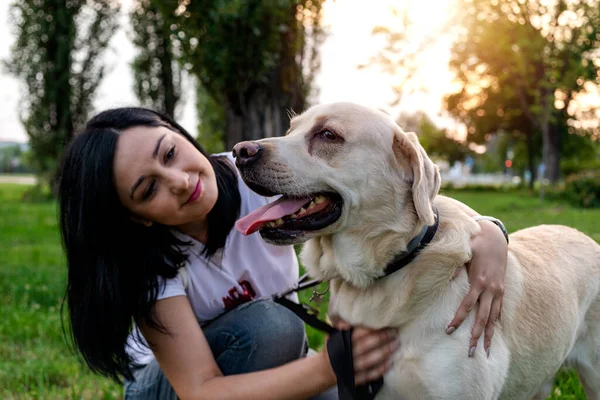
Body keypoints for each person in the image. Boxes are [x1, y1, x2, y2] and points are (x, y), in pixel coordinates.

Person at [57, 107, 508, 400]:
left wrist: (488, 231)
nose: (178, 179)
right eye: (149, 187)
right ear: (137, 217)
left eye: (170, 153)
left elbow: (390, 188)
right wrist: (327, 367)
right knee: (272, 327)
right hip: (177, 388)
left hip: (273, 363)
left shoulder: (254, 174)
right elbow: (199, 389)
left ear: (179, 134)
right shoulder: (147, 266)